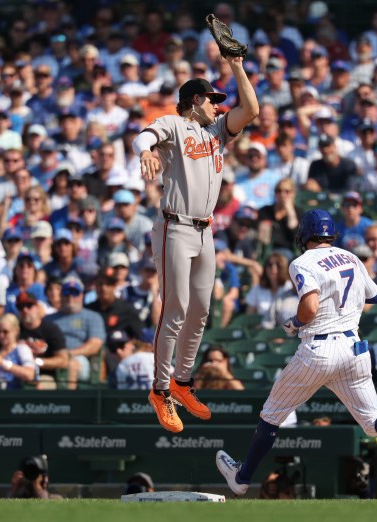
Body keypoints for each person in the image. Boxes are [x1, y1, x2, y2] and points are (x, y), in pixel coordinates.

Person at [215, 209, 377, 496]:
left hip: (320, 347)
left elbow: (310, 307)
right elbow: (376, 295)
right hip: (355, 348)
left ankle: (242, 477)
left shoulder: (302, 261)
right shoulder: (351, 257)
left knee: (271, 414)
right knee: (374, 423)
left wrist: (296, 322)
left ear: (304, 235)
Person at [132, 55, 259, 433]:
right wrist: (145, 151)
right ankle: (159, 391)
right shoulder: (175, 123)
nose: (218, 104)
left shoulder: (217, 130)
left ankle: (182, 383)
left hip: (205, 231)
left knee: (201, 310)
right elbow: (144, 135)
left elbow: (250, 109)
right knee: (176, 309)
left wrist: (236, 64)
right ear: (194, 101)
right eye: (211, 98)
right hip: (174, 225)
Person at [0, 314, 35, 389]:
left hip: (14, 395)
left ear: (16, 331)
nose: (1, 335)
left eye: (5, 332)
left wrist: (3, 363)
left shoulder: (22, 349)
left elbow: (29, 375)